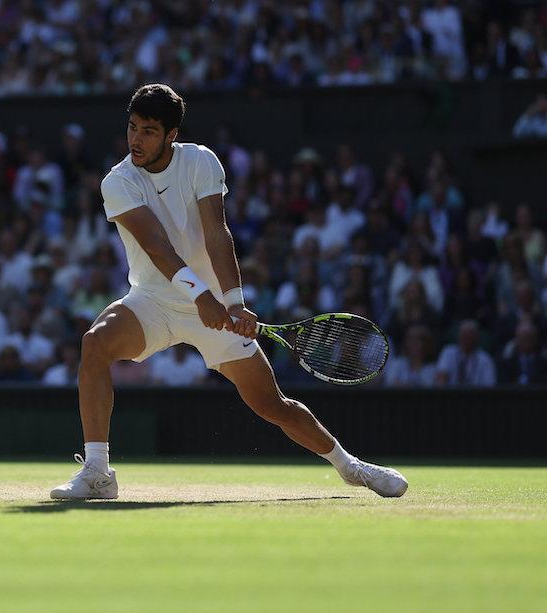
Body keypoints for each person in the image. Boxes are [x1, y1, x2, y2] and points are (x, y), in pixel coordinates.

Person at [50, 84, 407, 500]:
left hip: (216, 302)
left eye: (148, 131)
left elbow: (217, 234)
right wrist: (201, 297)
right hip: (153, 300)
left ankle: (351, 467)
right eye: (132, 128)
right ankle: (98, 473)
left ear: (171, 135)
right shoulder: (118, 181)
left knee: (272, 405)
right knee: (95, 343)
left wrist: (233, 303)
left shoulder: (200, 161)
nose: (136, 140)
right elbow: (156, 248)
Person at [434, 319, 496, 386]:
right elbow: (441, 378)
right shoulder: (448, 352)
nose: (466, 339)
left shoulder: (485, 359)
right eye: (464, 335)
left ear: (476, 338)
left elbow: (489, 385)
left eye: (469, 336)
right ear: (459, 336)